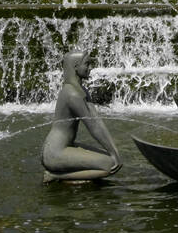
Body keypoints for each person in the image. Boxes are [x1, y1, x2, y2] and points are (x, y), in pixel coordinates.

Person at [41, 50, 122, 181]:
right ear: (75, 67)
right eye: (87, 64)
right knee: (110, 164)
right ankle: (55, 176)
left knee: (110, 157)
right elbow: (93, 127)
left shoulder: (81, 90)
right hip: (55, 152)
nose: (91, 68)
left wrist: (114, 151)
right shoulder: (72, 94)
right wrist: (114, 155)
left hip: (66, 146)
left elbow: (97, 121)